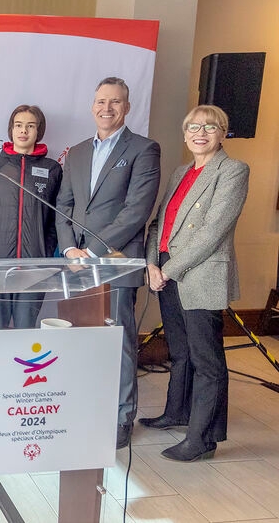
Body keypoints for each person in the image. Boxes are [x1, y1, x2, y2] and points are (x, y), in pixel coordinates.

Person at [55, 77, 161, 449]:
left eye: (115, 102)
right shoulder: (79, 151)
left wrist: (95, 251)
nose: (107, 108)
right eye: (101, 101)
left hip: (114, 262)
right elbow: (64, 206)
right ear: (92, 105)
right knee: (80, 340)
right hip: (75, 266)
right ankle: (84, 406)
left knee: (118, 342)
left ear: (127, 107)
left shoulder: (144, 150)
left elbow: (136, 211)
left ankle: (120, 416)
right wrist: (70, 250)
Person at [140, 105, 249, 462]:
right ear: (185, 133)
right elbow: (159, 223)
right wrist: (153, 265)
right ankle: (177, 412)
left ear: (222, 133)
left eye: (210, 127)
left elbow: (212, 232)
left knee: (207, 360)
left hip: (200, 274)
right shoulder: (181, 171)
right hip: (168, 271)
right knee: (180, 351)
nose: (200, 133)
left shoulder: (232, 171)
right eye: (193, 127)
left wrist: (169, 270)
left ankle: (202, 438)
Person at [0, 104, 62, 329]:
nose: (24, 131)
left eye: (30, 126)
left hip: (35, 267)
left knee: (25, 326)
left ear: (38, 131)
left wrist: (45, 252)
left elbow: (57, 216)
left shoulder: (52, 169)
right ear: (11, 130)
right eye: (19, 125)